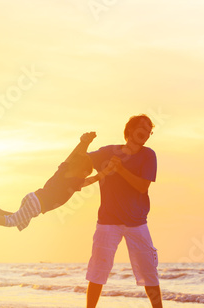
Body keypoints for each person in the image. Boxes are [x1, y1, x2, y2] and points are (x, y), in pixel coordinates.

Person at [85, 114, 163, 308]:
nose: (145, 134)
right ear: (130, 130)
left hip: (137, 223)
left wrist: (120, 169)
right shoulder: (107, 152)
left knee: (149, 272)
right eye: (142, 129)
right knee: (98, 271)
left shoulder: (148, 155)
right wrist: (84, 144)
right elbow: (82, 162)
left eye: (149, 131)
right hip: (107, 222)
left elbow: (142, 186)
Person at [0, 132, 113, 232]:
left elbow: (72, 156)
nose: (85, 176)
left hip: (33, 197)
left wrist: (84, 143)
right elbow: (91, 180)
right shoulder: (74, 182)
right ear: (81, 171)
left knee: (21, 222)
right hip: (37, 204)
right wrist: (105, 172)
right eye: (85, 173)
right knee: (12, 222)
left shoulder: (63, 170)